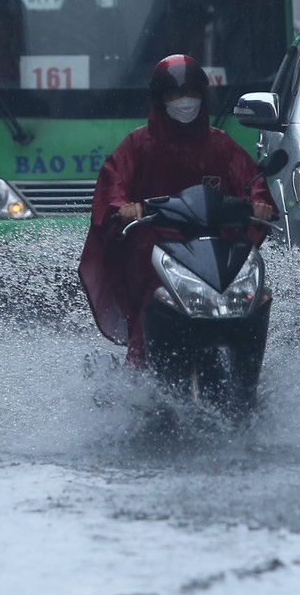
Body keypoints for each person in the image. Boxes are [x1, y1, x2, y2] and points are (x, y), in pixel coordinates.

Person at [78, 56, 277, 365]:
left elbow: (251, 182)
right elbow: (113, 184)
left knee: (255, 293)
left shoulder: (220, 144)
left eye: (192, 93)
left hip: (214, 247)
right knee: (149, 293)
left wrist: (261, 205)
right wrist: (123, 207)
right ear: (160, 99)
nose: (185, 101)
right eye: (174, 94)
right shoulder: (138, 143)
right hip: (155, 246)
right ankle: (139, 371)